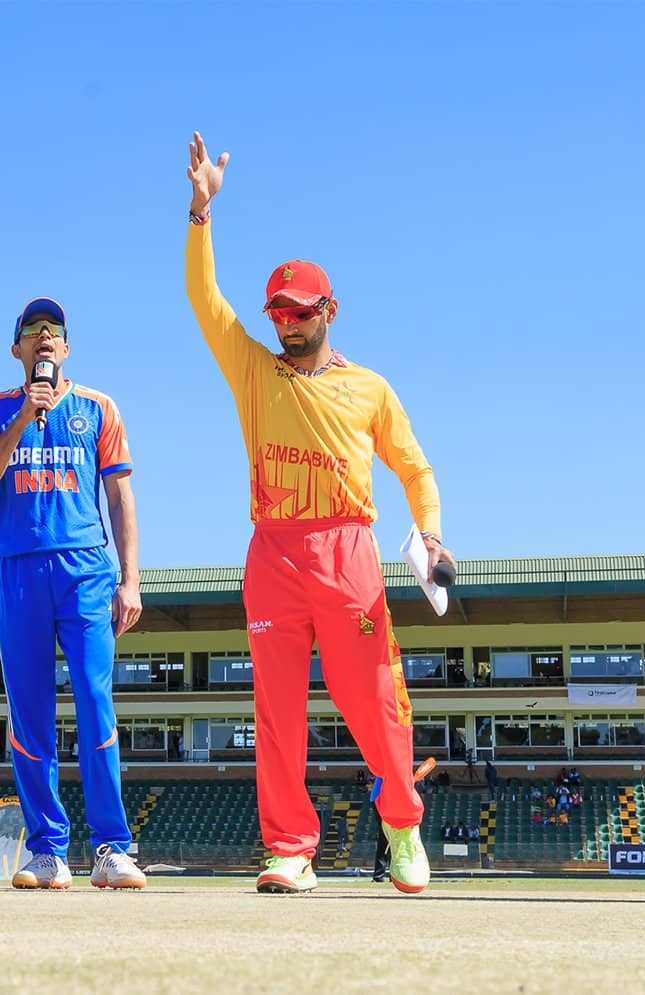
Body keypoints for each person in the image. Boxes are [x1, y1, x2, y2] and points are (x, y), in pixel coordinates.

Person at [185, 131, 456, 897]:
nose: (286, 324)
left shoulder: (369, 386)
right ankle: (290, 849)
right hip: (273, 551)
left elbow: (415, 467)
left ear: (331, 308)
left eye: (301, 313)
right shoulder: (253, 368)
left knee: (374, 699)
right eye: (278, 312)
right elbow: (206, 302)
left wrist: (430, 530)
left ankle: (403, 829)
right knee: (275, 710)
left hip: (349, 551)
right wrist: (201, 214)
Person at [0, 296, 147, 891]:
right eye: (33, 331)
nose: (45, 338)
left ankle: (112, 849)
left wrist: (131, 578)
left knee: (95, 700)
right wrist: (22, 420)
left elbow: (119, 496)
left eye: (55, 331)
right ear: (16, 347)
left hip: (85, 568)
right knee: (30, 713)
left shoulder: (98, 407)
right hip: (19, 568)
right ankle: (47, 851)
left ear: (66, 348)